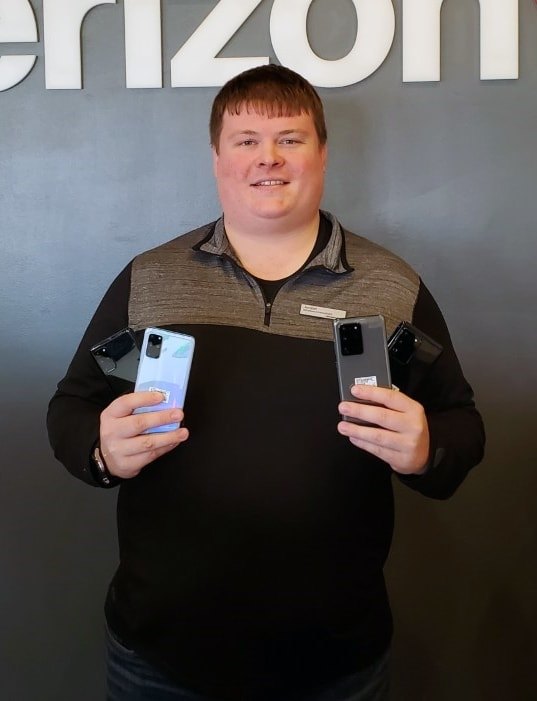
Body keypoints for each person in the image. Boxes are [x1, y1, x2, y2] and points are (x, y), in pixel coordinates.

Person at [47, 65, 485, 701]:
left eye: (290, 138)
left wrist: (426, 450)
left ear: (322, 153)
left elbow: (462, 426)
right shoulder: (150, 278)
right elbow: (71, 405)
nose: (268, 158)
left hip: (336, 660)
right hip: (160, 656)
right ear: (217, 157)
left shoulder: (392, 286)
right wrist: (100, 451)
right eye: (246, 140)